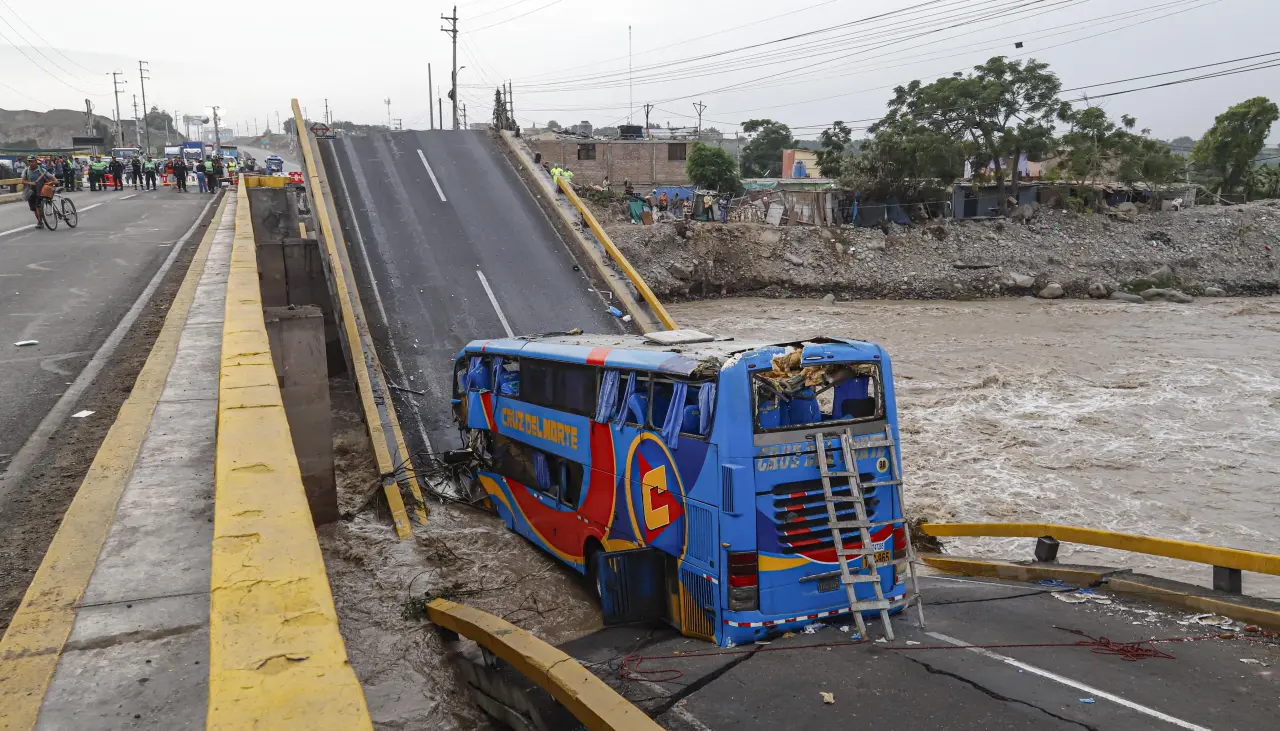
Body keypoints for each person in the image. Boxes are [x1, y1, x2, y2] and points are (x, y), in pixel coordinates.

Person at [21, 156, 57, 227]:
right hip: (31, 191)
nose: (31, 163)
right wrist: (31, 183)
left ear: (35, 161)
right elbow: (23, 181)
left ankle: (41, 221)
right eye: (29, 162)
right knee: (34, 208)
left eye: (32, 161)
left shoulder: (41, 169)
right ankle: (39, 221)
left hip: (41, 191)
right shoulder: (26, 170)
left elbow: (50, 176)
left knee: (38, 206)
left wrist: (55, 180)